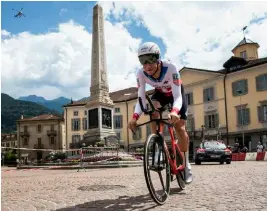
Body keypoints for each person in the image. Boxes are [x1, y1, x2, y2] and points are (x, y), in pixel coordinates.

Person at [128, 42, 192, 184]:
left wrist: (175, 111)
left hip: (176, 93)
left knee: (180, 128)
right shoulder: (141, 73)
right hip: (160, 94)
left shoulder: (171, 68)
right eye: (142, 61)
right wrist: (134, 118)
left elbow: (177, 96)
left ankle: (186, 164)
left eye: (150, 59)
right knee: (153, 110)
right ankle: (158, 148)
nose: (147, 65)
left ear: (157, 58)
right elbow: (141, 98)